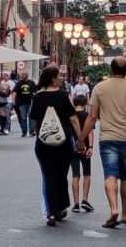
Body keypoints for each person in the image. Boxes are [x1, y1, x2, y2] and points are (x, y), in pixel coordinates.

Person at [78, 57, 126, 228]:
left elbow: (92, 116)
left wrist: (81, 138)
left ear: (111, 69)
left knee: (110, 174)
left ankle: (113, 209)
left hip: (107, 138)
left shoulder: (99, 88)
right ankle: (125, 214)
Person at [29, 66, 83, 226]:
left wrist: (40, 134)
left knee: (49, 176)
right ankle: (60, 207)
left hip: (44, 143)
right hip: (64, 141)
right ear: (53, 78)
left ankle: (51, 213)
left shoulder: (37, 97)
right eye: (60, 75)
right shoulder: (64, 95)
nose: (62, 78)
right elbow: (73, 119)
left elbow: (35, 120)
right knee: (61, 175)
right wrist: (80, 139)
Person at [70, 94, 95, 214]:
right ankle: (85, 200)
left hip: (73, 148)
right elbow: (90, 133)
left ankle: (76, 203)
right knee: (87, 174)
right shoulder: (87, 116)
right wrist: (90, 147)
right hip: (85, 148)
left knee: (75, 175)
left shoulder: (70, 116)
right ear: (85, 104)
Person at [13, 70, 37, 137]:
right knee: (23, 118)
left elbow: (36, 91)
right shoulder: (19, 83)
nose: (21, 76)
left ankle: (31, 131)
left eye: (23, 74)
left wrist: (35, 97)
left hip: (30, 102)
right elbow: (14, 91)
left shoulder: (31, 83)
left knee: (31, 117)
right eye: (21, 74)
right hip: (21, 103)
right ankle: (24, 132)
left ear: (27, 75)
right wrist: (13, 100)